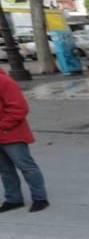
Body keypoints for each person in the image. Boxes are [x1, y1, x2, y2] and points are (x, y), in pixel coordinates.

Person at [0, 70, 49, 213]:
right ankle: (13, 199)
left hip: (12, 133)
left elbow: (19, 108)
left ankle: (40, 198)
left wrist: (2, 126)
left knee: (26, 167)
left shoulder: (4, 81)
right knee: (4, 170)